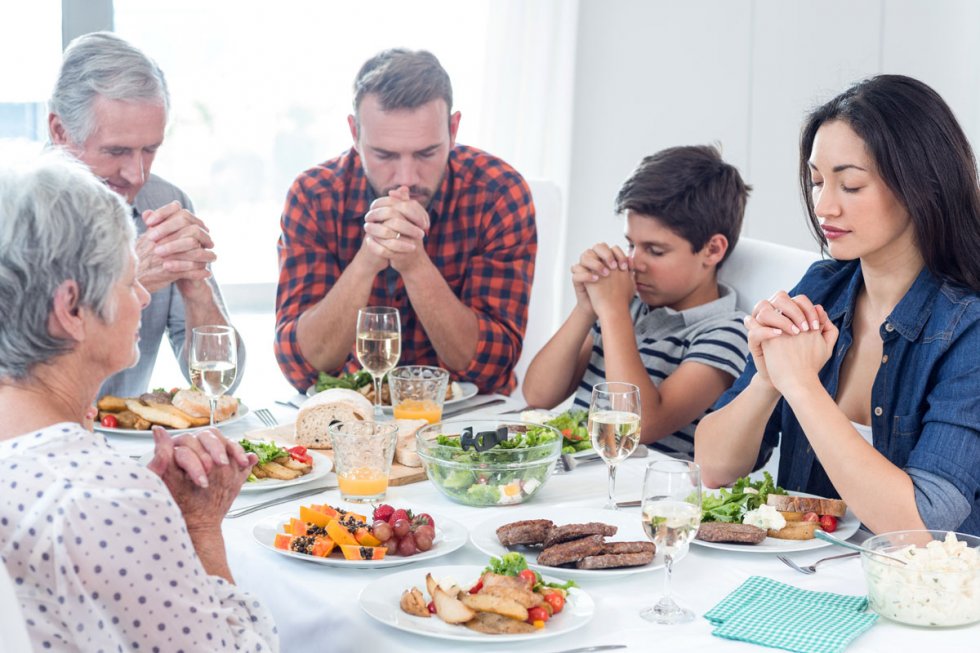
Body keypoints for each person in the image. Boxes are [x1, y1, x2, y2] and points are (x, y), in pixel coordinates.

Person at [0, 153, 278, 651]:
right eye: (130, 280)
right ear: (70, 308)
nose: (144, 298)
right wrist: (201, 528)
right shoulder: (111, 499)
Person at [695, 75, 980, 536]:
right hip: (803, 575)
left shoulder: (968, 326)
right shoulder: (822, 288)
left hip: (922, 595)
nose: (824, 206)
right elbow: (713, 466)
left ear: (921, 186)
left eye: (849, 185)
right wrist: (767, 380)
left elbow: (920, 524)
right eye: (816, 181)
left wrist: (802, 386)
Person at [275, 48, 536, 395]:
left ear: (453, 129)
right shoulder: (314, 195)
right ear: (355, 133)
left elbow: (489, 368)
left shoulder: (499, 193)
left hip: (468, 425)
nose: (406, 178)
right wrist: (368, 260)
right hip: (354, 417)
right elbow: (303, 367)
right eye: (384, 155)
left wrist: (414, 265)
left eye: (427, 153)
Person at [48, 31, 245, 398]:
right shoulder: (12, 214)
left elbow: (222, 385)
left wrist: (195, 285)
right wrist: (130, 277)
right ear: (60, 131)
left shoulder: (166, 201)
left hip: (128, 451)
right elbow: (22, 379)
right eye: (116, 151)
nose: (136, 175)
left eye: (150, 150)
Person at [523, 146, 751, 460]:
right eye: (631, 245)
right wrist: (586, 308)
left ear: (712, 250)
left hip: (644, 495)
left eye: (655, 251)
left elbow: (639, 428)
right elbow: (538, 395)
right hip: (578, 480)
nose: (634, 263)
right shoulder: (627, 305)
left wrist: (614, 311)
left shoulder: (729, 333)